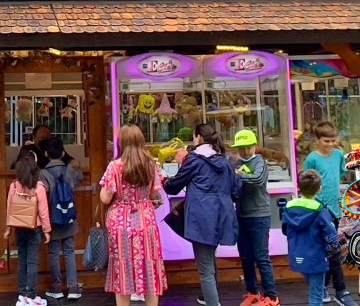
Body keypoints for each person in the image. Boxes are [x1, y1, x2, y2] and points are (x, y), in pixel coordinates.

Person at [162, 123, 240, 306]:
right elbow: (236, 191)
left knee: (205, 270)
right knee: (210, 261)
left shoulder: (194, 160)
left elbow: (173, 187)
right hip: (223, 215)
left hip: (202, 217)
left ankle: (213, 302)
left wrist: (165, 178)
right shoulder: (224, 161)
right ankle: (209, 298)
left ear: (198, 138)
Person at [99, 125, 167, 306]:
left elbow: (105, 198)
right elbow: (154, 194)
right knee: (150, 266)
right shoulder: (151, 165)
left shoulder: (115, 166)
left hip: (121, 223)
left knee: (122, 269)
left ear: (121, 142)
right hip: (146, 220)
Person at [302, 122, 356, 306]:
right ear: (317, 140)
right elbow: (305, 181)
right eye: (326, 141)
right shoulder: (312, 158)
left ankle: (329, 287)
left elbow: (340, 173)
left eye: (333, 140)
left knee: (332, 250)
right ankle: (333, 288)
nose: (330, 144)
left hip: (335, 209)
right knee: (326, 251)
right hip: (318, 209)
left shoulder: (339, 155)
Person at [232, 129, 278, 306]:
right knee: (245, 257)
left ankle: (272, 297)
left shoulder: (260, 162)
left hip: (259, 215)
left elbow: (257, 180)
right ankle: (253, 293)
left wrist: (238, 175)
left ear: (255, 146)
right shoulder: (235, 164)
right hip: (241, 215)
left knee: (261, 257)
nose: (245, 151)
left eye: (248, 147)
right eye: (241, 148)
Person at [282, 170, 339, 306]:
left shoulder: (289, 207)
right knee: (316, 298)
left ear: (299, 186)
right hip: (316, 258)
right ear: (319, 189)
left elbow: (285, 229)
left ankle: (322, 290)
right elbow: (330, 234)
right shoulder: (320, 211)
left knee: (315, 287)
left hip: (297, 256)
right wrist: (334, 251)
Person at [5, 151, 52, 306]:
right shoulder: (39, 187)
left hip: (19, 227)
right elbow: (43, 211)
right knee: (32, 263)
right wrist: (47, 230)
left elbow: (10, 208)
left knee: (22, 262)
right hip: (34, 228)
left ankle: (22, 295)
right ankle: (30, 295)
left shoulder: (13, 186)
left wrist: (8, 228)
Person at [41, 137, 84, 301]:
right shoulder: (70, 171)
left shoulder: (42, 174)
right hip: (69, 216)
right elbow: (80, 177)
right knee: (69, 251)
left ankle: (56, 287)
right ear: (63, 153)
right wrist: (74, 164)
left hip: (52, 217)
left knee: (53, 252)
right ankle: (73, 287)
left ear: (46, 153)